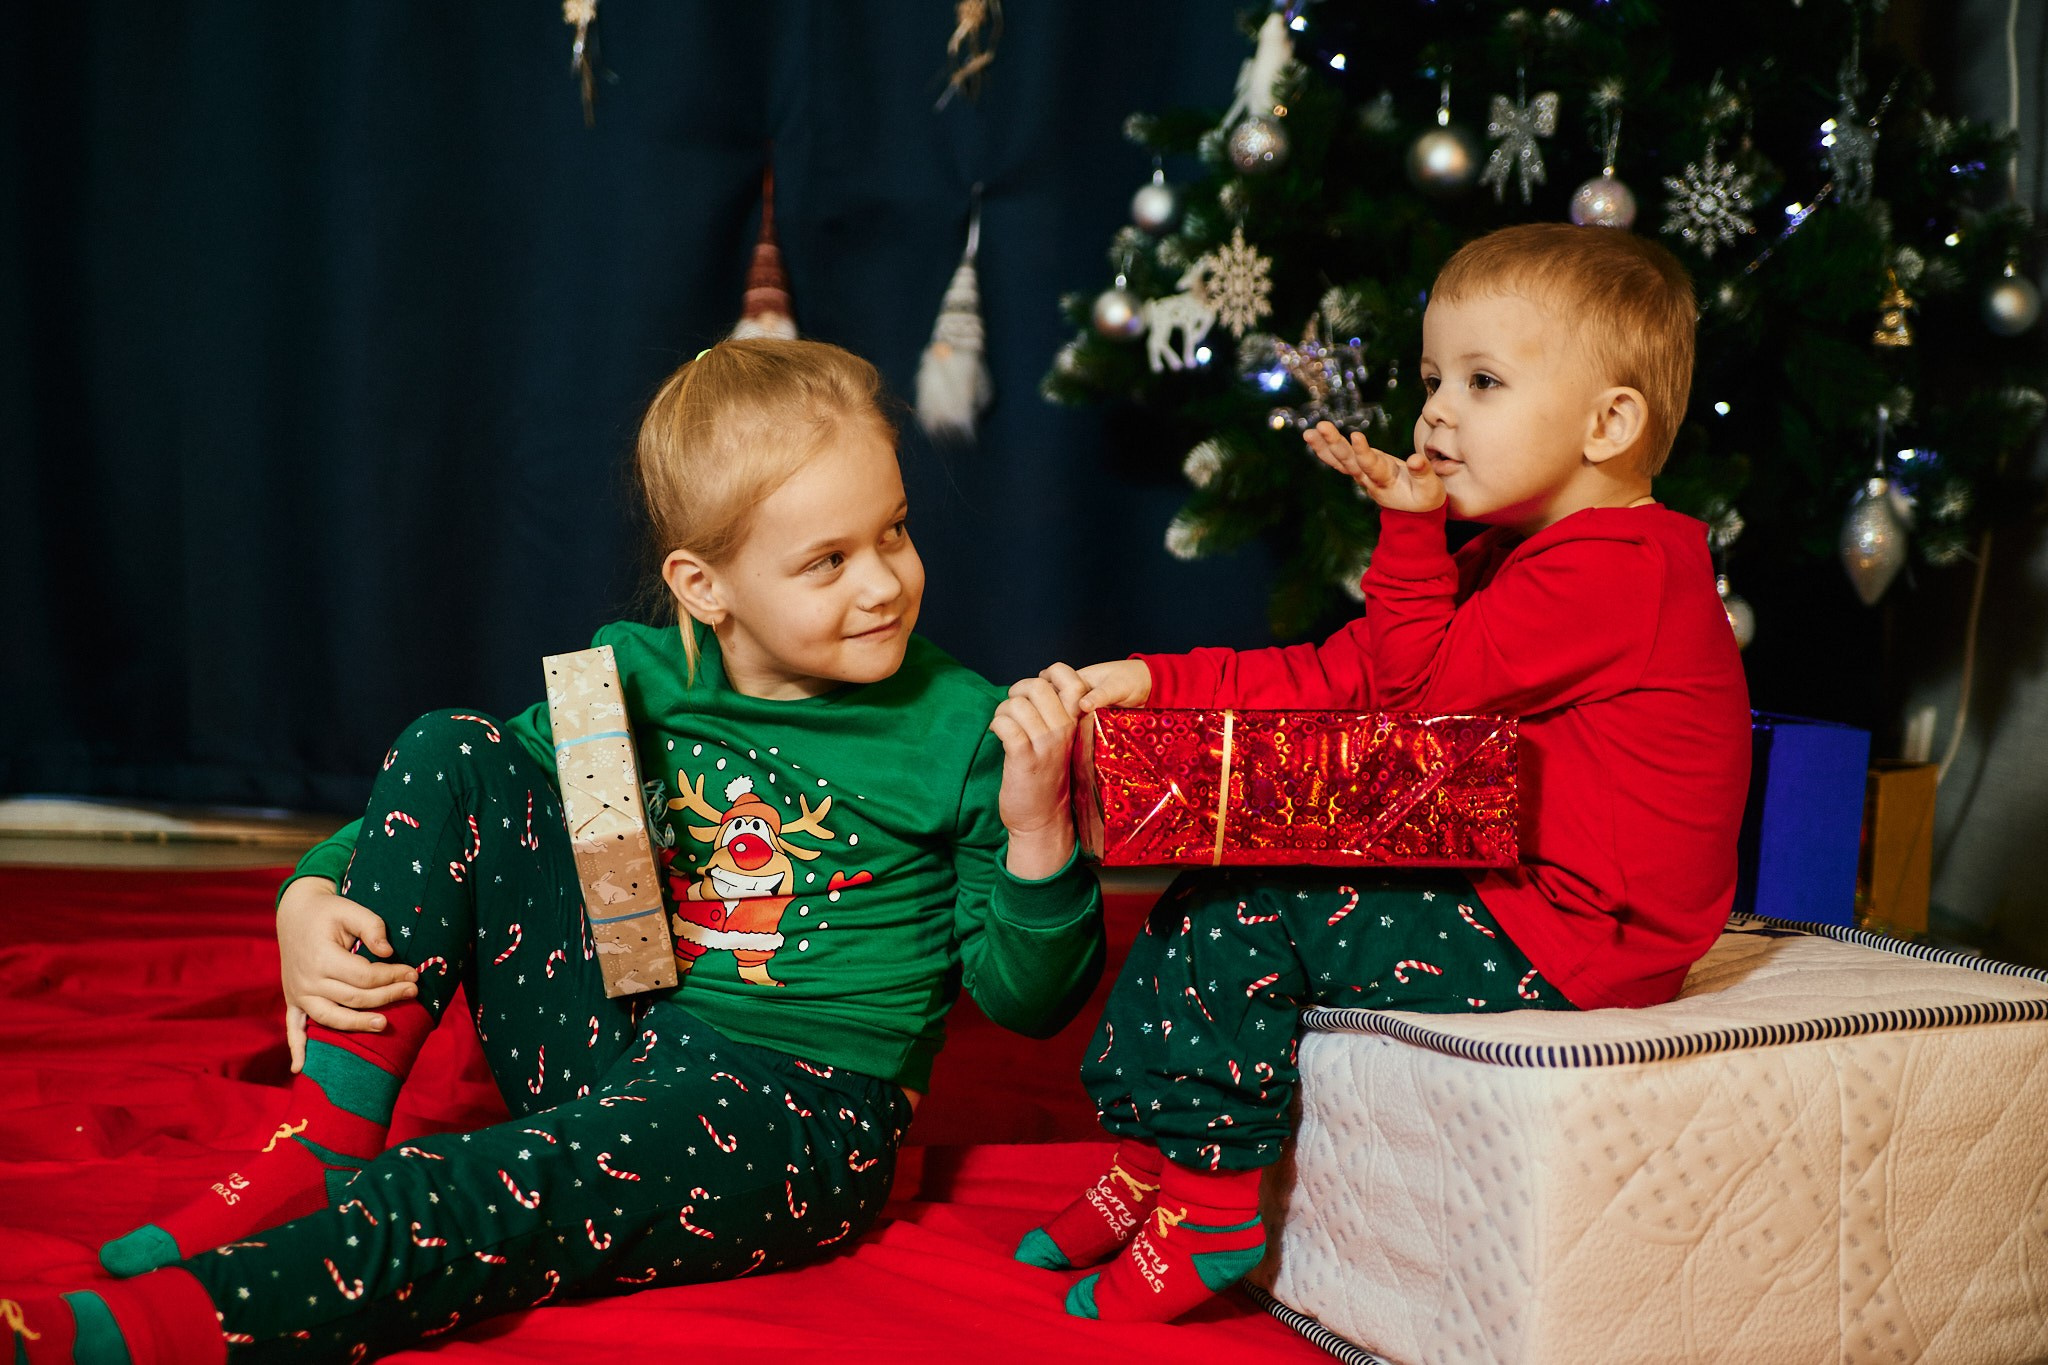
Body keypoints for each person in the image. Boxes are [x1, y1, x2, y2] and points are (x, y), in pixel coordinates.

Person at [5, 339, 1105, 1364]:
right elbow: (464, 794)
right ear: (703, 587)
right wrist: (311, 888)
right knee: (451, 743)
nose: (881, 582)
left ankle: (158, 1331)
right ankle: (321, 1142)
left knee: (472, 1189)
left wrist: (1036, 830)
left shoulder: (960, 730)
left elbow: (1028, 1000)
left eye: (893, 532)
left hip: (798, 1116)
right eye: (827, 560)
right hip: (620, 1034)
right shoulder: (636, 674)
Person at [1013, 223, 1753, 1323]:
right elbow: (1345, 673)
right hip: (1510, 886)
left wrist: (1407, 535)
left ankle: (1211, 1204)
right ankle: (1154, 1155)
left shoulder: (1620, 570)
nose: (1435, 413)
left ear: (1608, 424)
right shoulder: (1522, 555)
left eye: (1481, 382)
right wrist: (1158, 681)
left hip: (1581, 935)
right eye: (1431, 379)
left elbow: (1421, 695)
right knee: (1202, 887)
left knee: (1243, 913)